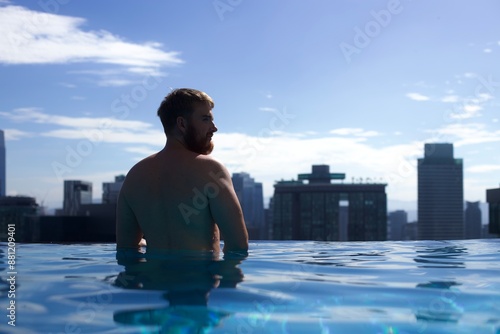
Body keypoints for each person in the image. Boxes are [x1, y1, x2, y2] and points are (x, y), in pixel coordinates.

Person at [116, 88, 248, 253]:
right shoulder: (211, 170)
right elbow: (238, 246)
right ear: (182, 124)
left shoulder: (134, 175)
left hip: (152, 277)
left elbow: (126, 248)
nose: (214, 128)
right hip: (200, 277)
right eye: (206, 119)